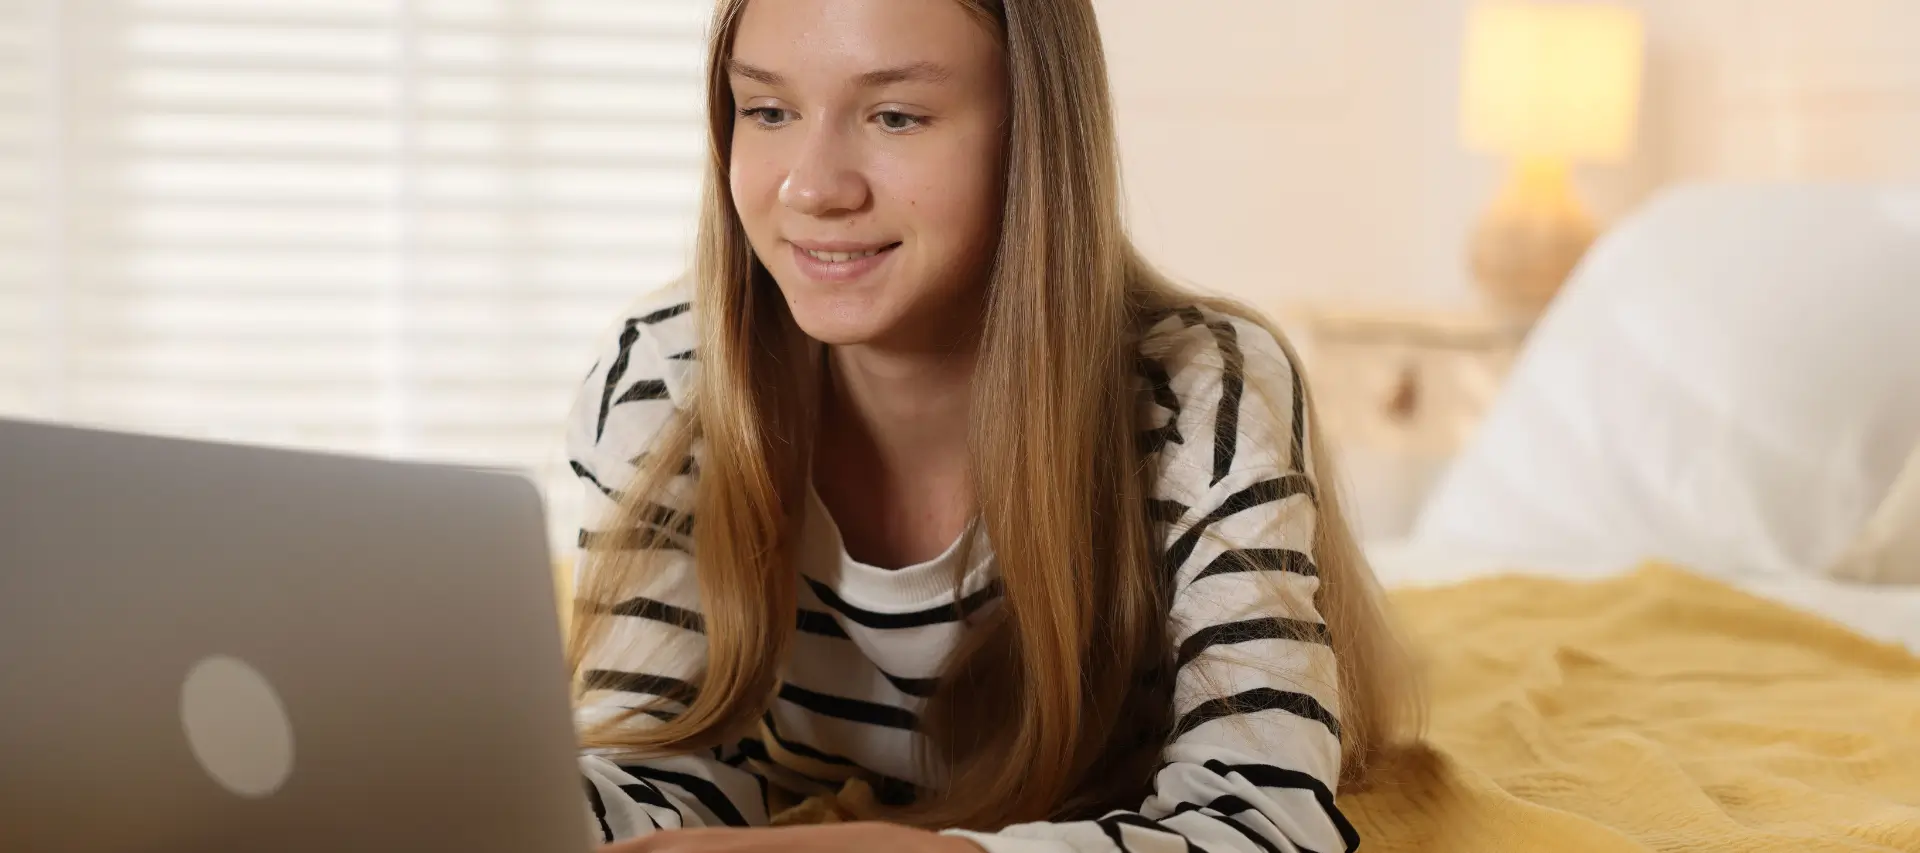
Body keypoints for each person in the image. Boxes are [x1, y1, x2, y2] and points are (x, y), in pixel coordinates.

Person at [562, 0, 1419, 851]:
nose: (812, 187)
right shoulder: (668, 377)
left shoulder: (1200, 392)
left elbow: (1266, 821)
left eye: (896, 116)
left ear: (1034, 140)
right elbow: (659, 766)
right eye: (769, 111)